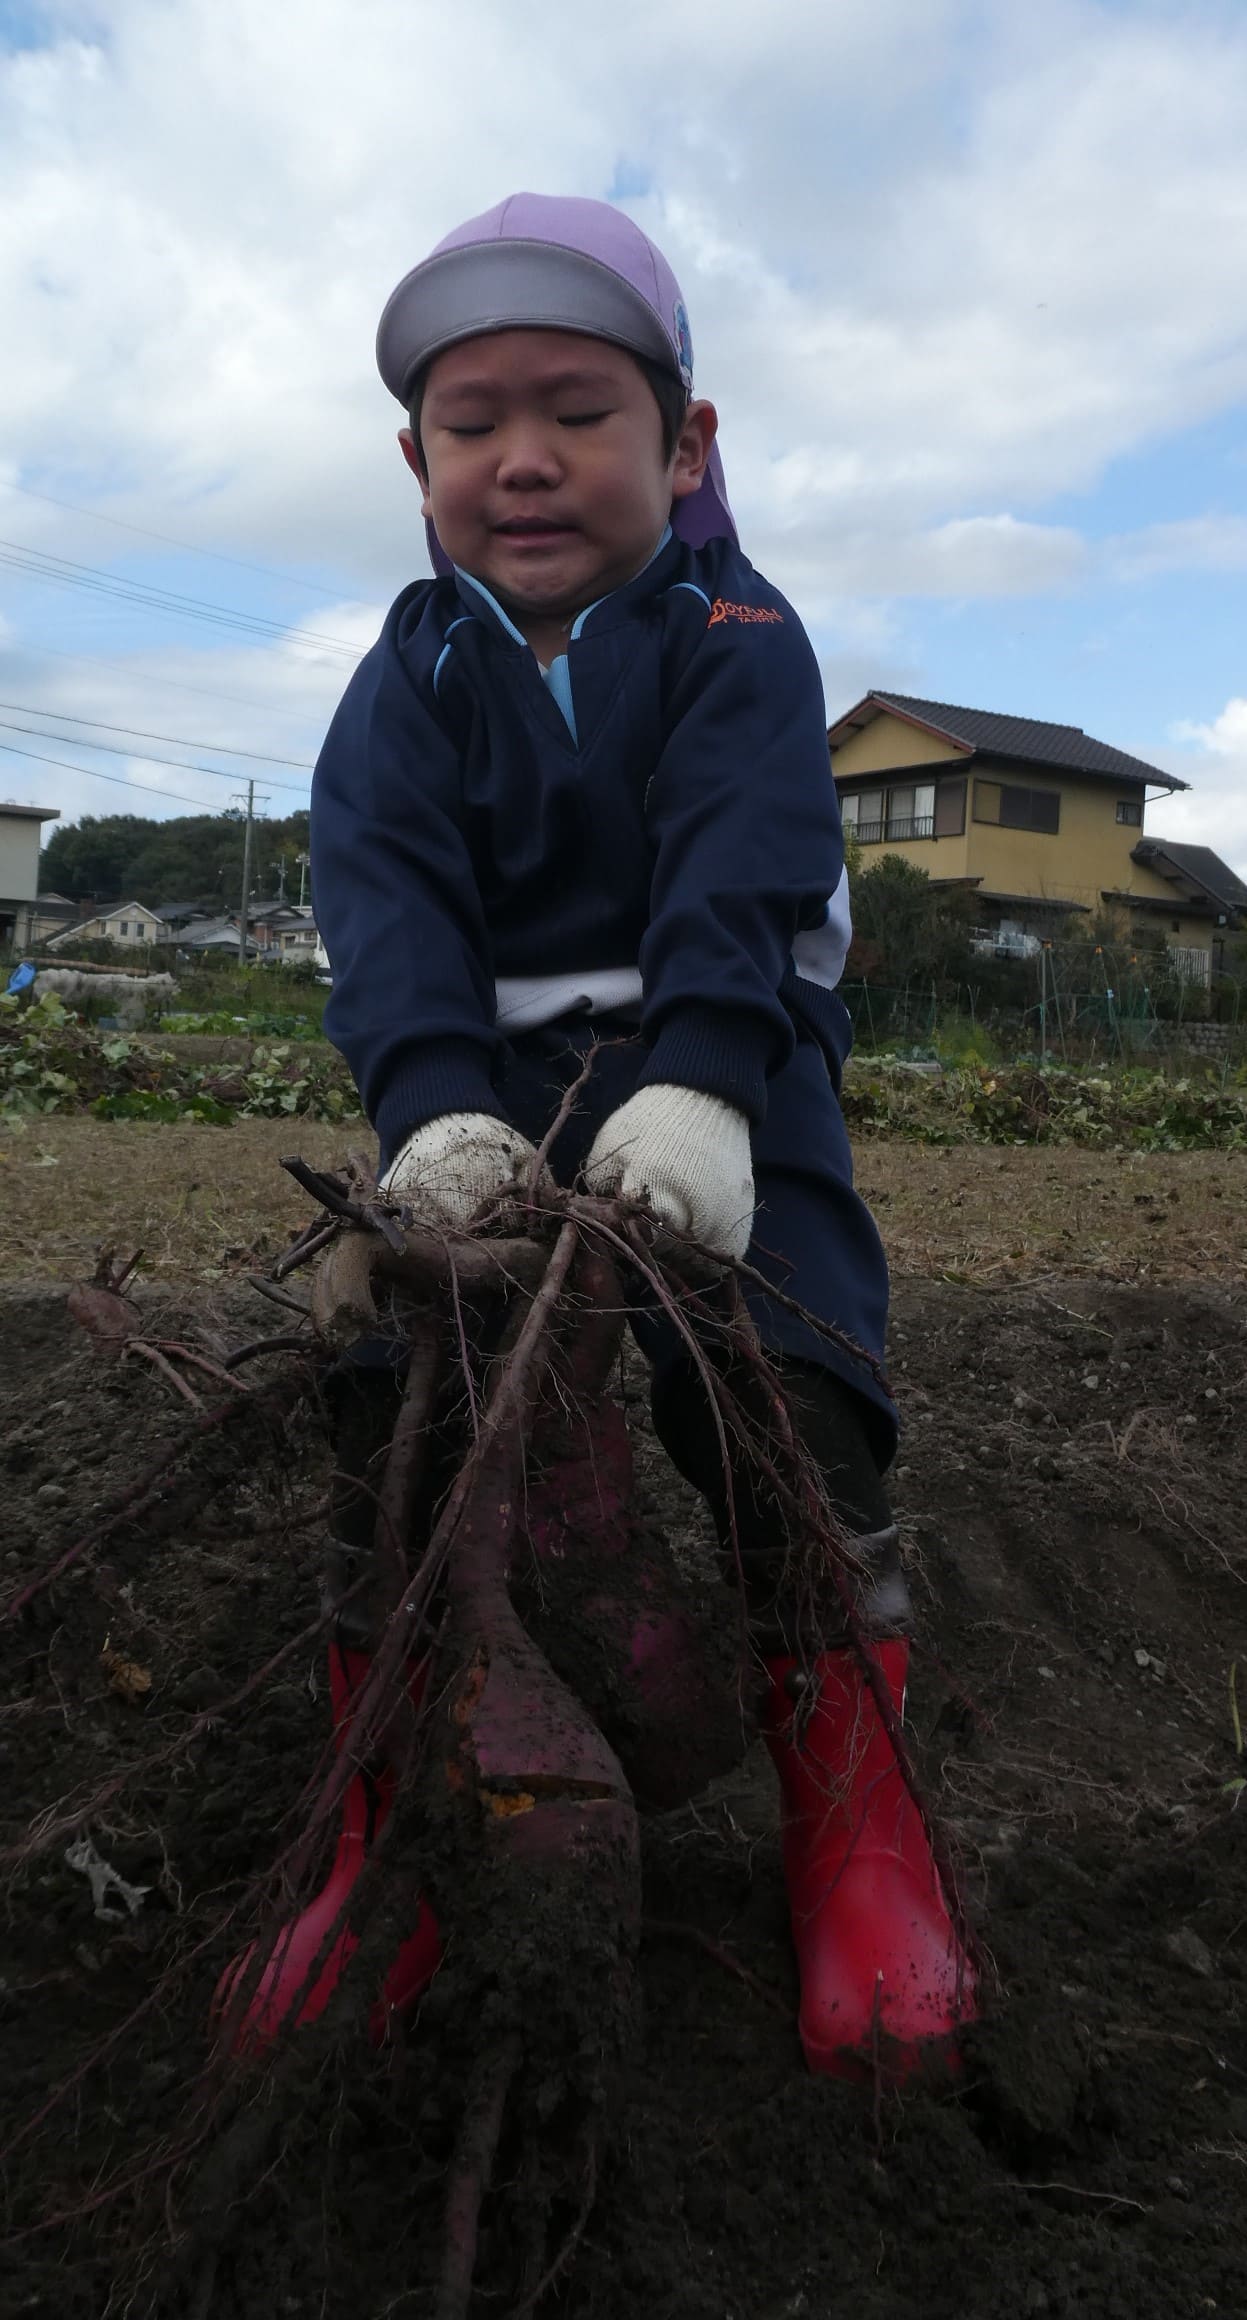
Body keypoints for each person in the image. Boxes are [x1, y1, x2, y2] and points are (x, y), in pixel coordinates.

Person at [253, 192, 974, 2077]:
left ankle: (858, 1840)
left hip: (721, 1075)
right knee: (383, 1397)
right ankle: (382, 1829)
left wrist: (712, 1081)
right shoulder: (404, 678)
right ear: (415, 463)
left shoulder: (736, 638)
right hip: (485, 1111)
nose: (525, 460)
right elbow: (384, 912)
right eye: (473, 422)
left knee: (790, 1385)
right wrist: (434, 1121)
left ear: (687, 441)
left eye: (577, 410)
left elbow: (751, 868)